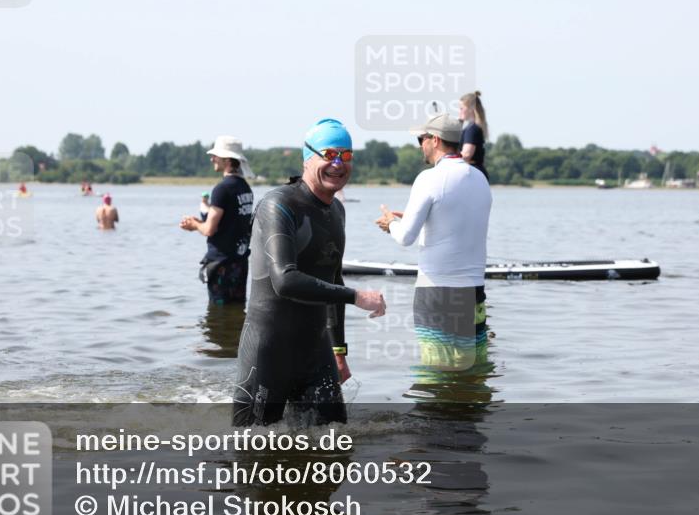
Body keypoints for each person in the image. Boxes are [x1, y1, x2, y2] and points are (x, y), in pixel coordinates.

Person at [232, 119, 386, 427]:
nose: (338, 164)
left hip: (316, 352)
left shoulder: (336, 211)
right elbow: (285, 280)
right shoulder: (278, 204)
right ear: (308, 157)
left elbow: (333, 279)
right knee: (251, 454)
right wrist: (357, 297)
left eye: (346, 156)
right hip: (269, 350)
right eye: (329, 154)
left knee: (336, 443)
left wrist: (339, 351)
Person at [376, 112, 492, 374]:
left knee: (436, 374)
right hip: (473, 291)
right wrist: (414, 218)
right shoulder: (480, 178)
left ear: (435, 140)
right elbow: (459, 221)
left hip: (437, 293)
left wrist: (390, 223)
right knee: (473, 371)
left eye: (421, 138)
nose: (420, 145)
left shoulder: (428, 178)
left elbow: (406, 237)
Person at [180, 137, 255, 305]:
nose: (212, 158)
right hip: (240, 263)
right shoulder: (245, 188)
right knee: (237, 310)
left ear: (227, 160)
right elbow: (230, 223)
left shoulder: (222, 189)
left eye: (216, 155)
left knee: (217, 316)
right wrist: (201, 222)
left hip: (221, 265)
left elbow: (209, 230)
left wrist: (194, 225)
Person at [458, 91, 488, 180]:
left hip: (473, 173)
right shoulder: (474, 127)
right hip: (477, 172)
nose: (460, 111)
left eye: (461, 108)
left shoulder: (472, 129)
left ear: (471, 108)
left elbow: (467, 154)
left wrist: (448, 158)